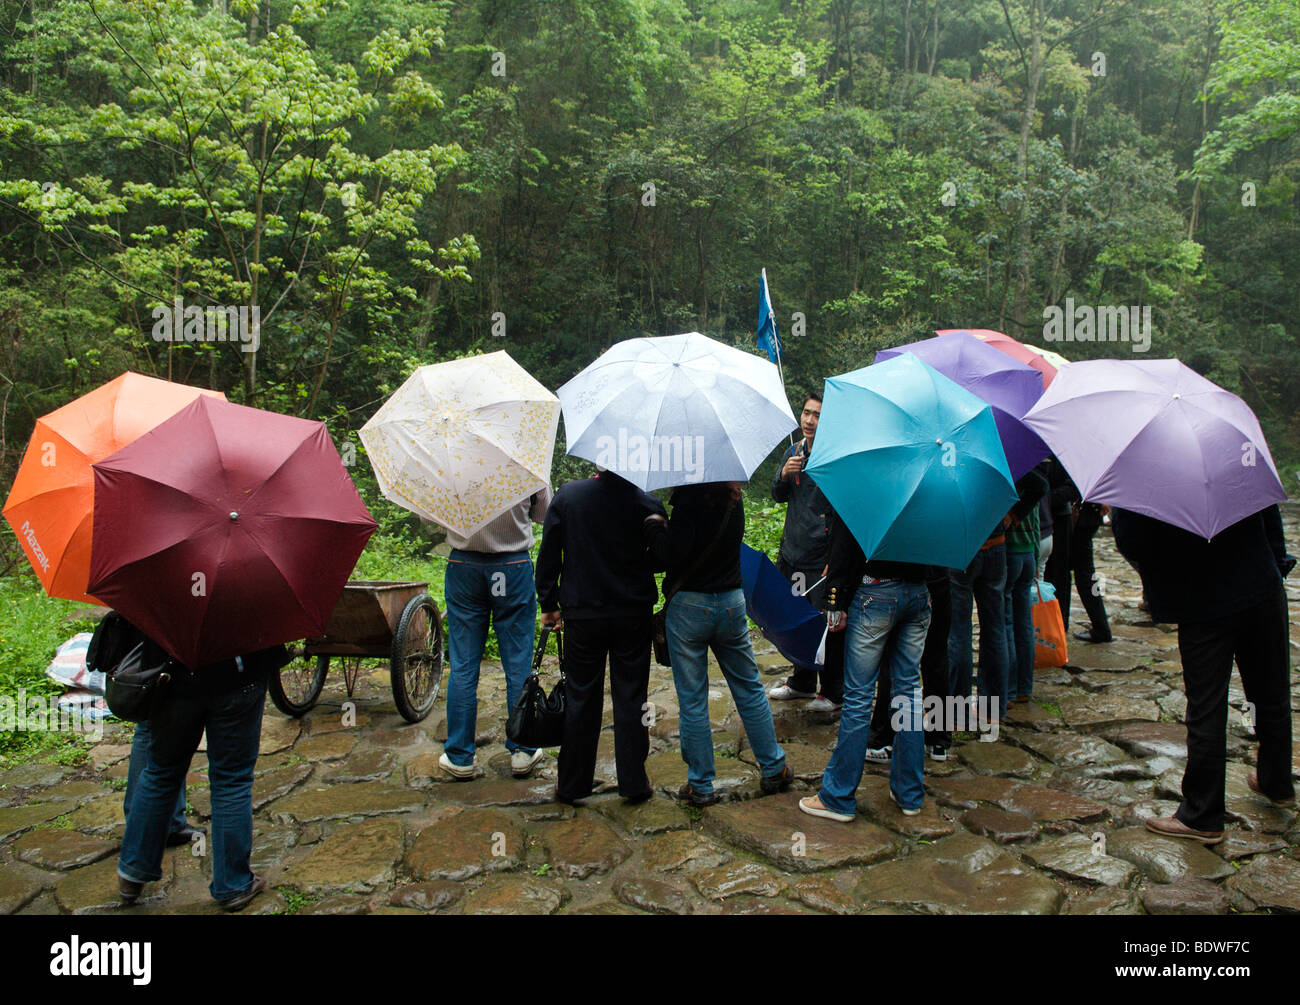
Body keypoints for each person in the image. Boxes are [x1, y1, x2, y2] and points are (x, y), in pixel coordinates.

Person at [1113, 504, 1295, 843]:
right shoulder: (1236, 453)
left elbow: (1132, 541)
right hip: (1262, 586)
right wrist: (1277, 567)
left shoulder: (1145, 472)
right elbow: (1269, 514)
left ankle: (1202, 814)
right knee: (1272, 694)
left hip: (1203, 599)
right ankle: (1277, 782)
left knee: (1206, 706)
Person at [645, 481, 792, 806]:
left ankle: (701, 784)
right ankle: (773, 767)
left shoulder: (687, 501)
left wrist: (655, 527)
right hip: (730, 602)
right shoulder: (733, 497)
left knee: (694, 697)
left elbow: (673, 554)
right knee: (749, 687)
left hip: (690, 609)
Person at [117, 644, 290, 911]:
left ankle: (132, 873)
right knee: (231, 780)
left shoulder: (160, 599)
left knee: (161, 771)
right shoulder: (246, 599)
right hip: (238, 673)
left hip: (172, 675)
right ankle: (233, 884)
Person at [535, 470, 665, 805]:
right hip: (632, 613)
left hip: (583, 611)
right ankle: (634, 781)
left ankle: (572, 784)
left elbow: (550, 551)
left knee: (581, 696)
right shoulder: (648, 502)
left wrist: (548, 602)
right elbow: (660, 559)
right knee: (632, 697)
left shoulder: (569, 496)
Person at [799, 508, 938, 820]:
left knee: (859, 697)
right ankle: (909, 794)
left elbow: (845, 539)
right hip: (918, 593)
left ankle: (837, 796)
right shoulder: (928, 483)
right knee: (910, 693)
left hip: (875, 594)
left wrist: (835, 600)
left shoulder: (869, 477)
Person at [439, 489, 552, 781]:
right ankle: (523, 750)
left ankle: (460, 756)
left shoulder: (450, 458)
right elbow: (544, 514)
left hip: (464, 566)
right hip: (512, 566)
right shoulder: (526, 459)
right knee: (518, 664)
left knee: (463, 664)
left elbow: (429, 515)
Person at [766, 392, 844, 711]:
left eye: (817, 415)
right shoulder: (794, 450)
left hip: (821, 558)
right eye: (807, 413)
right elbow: (777, 495)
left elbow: (843, 511)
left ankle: (833, 690)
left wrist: (835, 559)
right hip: (794, 553)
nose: (810, 420)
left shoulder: (834, 457)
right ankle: (801, 681)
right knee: (798, 619)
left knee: (826, 623)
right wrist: (784, 474)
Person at [864, 571, 955, 762]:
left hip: (903, 584)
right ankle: (938, 739)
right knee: (936, 659)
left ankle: (883, 738)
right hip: (938, 580)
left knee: (893, 660)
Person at [1004, 466, 1049, 703]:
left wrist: (1012, 515)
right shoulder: (1030, 463)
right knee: (1024, 622)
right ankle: (1024, 687)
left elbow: (1041, 486)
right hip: (1028, 550)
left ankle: (1009, 691)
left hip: (1010, 550)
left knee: (1008, 623)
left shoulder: (1009, 468)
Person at [1070, 501, 1113, 643]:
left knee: (1085, 578)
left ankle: (1101, 628)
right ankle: (1101, 627)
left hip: (1084, 520)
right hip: (1088, 517)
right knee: (1086, 577)